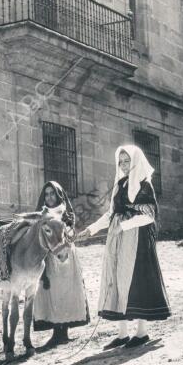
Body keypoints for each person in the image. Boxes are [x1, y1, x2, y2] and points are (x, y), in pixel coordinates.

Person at [76, 146, 170, 348]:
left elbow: (148, 216)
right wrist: (91, 229)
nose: (124, 165)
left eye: (127, 161)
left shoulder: (145, 186)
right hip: (117, 241)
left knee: (137, 281)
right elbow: (111, 214)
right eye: (121, 161)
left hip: (137, 240)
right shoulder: (119, 185)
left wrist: (124, 226)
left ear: (136, 161)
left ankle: (142, 332)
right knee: (116, 280)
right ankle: (122, 333)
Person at [33, 180, 90, 347]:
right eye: (47, 194)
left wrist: (69, 234)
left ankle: (64, 331)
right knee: (52, 292)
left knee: (66, 291)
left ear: (58, 195)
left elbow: (71, 230)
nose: (50, 197)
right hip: (49, 257)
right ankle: (56, 331)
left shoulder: (65, 212)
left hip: (65, 256)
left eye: (53, 194)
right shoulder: (41, 214)